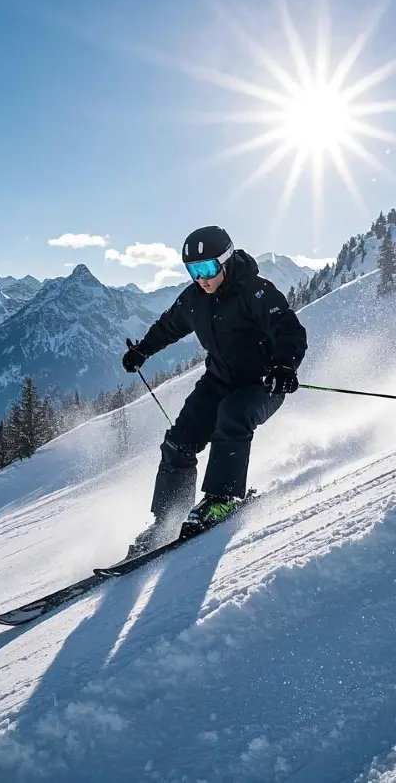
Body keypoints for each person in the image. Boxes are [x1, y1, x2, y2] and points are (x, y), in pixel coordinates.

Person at [121, 225, 308, 556]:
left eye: (207, 269)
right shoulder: (194, 298)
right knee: (179, 441)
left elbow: (288, 329)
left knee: (233, 416)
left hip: (263, 383)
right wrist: (142, 351)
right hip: (218, 381)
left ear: (226, 260)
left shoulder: (256, 291)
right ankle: (167, 520)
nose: (201, 278)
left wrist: (284, 366)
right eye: (193, 271)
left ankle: (222, 499)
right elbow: (168, 326)